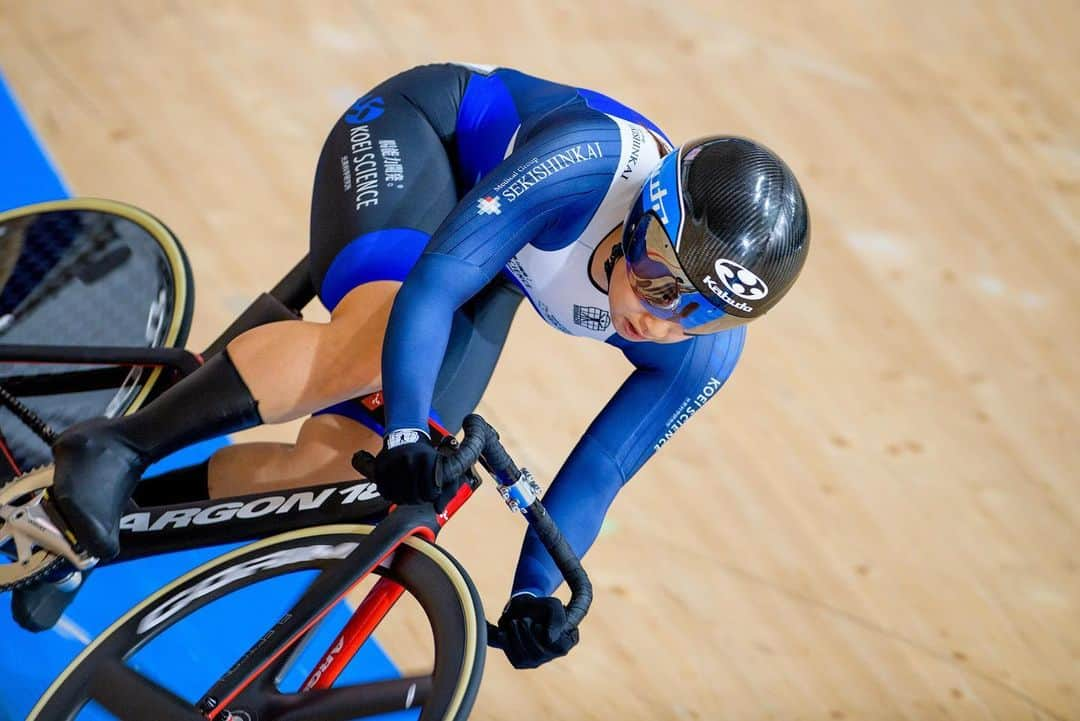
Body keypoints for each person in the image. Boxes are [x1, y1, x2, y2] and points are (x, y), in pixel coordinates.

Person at [13, 63, 810, 668]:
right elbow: (432, 289)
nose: (660, 314)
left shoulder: (699, 352)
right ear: (643, 217)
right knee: (380, 343)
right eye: (659, 278)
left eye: (696, 311)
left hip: (501, 258)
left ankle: (87, 522)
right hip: (426, 143)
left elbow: (599, 469)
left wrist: (535, 589)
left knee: (338, 487)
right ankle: (113, 447)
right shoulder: (588, 165)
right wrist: (401, 432)